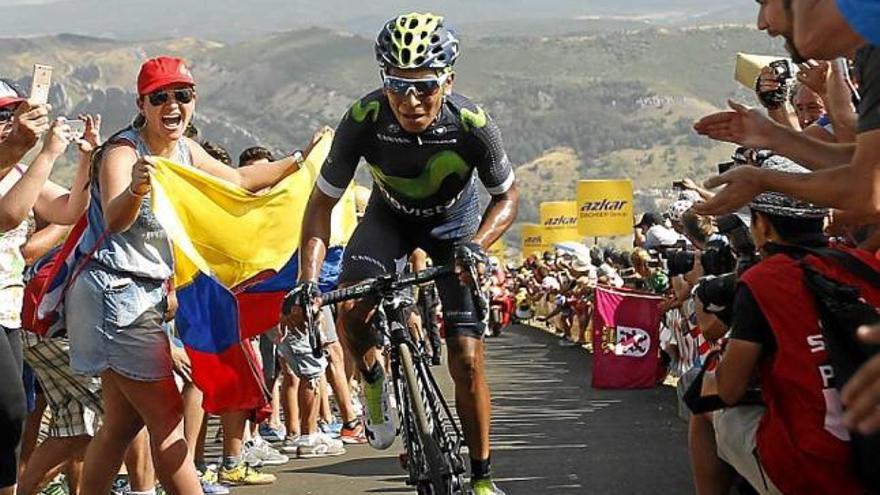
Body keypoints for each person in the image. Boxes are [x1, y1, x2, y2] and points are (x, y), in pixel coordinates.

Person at [281, 13, 517, 495]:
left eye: (425, 86)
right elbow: (321, 203)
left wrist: (475, 245)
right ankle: (372, 379)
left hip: (453, 226)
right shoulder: (364, 118)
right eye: (396, 84)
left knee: (467, 361)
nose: (410, 101)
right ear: (383, 79)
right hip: (387, 221)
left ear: (448, 79)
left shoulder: (472, 123)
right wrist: (307, 279)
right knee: (349, 309)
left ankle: (482, 476)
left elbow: (508, 197)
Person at [65, 55, 317, 494]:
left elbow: (238, 181)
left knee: (122, 424)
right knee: (167, 418)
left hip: (144, 301)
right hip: (113, 298)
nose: (172, 104)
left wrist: (300, 160)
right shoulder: (123, 152)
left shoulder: (184, 151)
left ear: (193, 100)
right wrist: (137, 187)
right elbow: (116, 219)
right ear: (141, 104)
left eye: (182, 95)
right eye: (159, 97)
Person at [710, 158, 871, 494]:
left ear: (763, 227)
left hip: (813, 467)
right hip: (871, 455)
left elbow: (730, 390)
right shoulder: (864, 264)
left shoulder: (761, 280)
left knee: (710, 413)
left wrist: (715, 372)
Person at [1, 76, 93, 495]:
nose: (11, 121)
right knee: (11, 409)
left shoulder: (16, 168)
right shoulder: (20, 167)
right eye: (2, 115)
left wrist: (88, 162)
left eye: (12, 113)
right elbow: (9, 213)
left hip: (8, 308)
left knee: (13, 417)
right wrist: (48, 152)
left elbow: (70, 208)